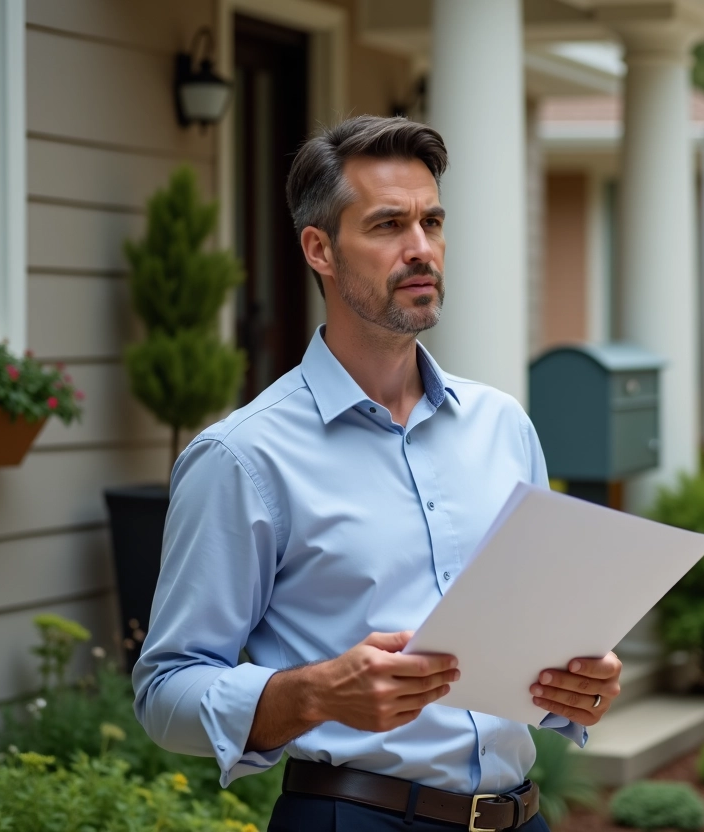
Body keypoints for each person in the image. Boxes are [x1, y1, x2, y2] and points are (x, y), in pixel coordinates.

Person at [132, 115, 623, 831]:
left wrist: (576, 683)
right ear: (320, 250)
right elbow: (165, 691)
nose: (421, 248)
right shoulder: (243, 456)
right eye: (389, 225)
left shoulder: (503, 426)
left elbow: (532, 642)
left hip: (520, 816)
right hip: (354, 816)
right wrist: (316, 693)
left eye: (432, 222)